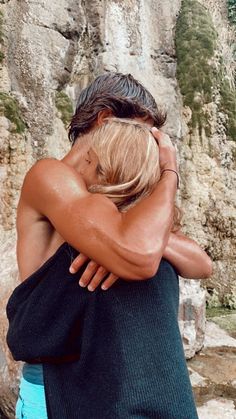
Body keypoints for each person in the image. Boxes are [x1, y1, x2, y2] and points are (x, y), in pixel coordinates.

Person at [6, 72, 212, 419]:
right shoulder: (51, 176)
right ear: (104, 119)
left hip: (112, 387)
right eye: (141, 132)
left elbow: (200, 264)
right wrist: (170, 172)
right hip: (56, 390)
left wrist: (137, 243)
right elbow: (141, 258)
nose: (148, 146)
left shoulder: (120, 200)